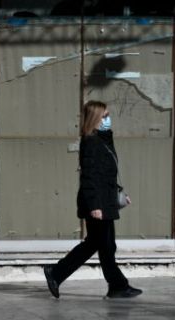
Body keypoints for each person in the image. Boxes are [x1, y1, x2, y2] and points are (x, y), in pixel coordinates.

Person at [43, 100, 142, 299]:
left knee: (103, 245)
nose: (108, 119)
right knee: (102, 245)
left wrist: (119, 194)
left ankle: (60, 273)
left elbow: (105, 174)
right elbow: (89, 177)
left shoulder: (102, 140)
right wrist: (95, 206)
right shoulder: (90, 142)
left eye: (108, 115)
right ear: (95, 118)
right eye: (104, 116)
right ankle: (116, 285)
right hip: (98, 205)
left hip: (106, 201)